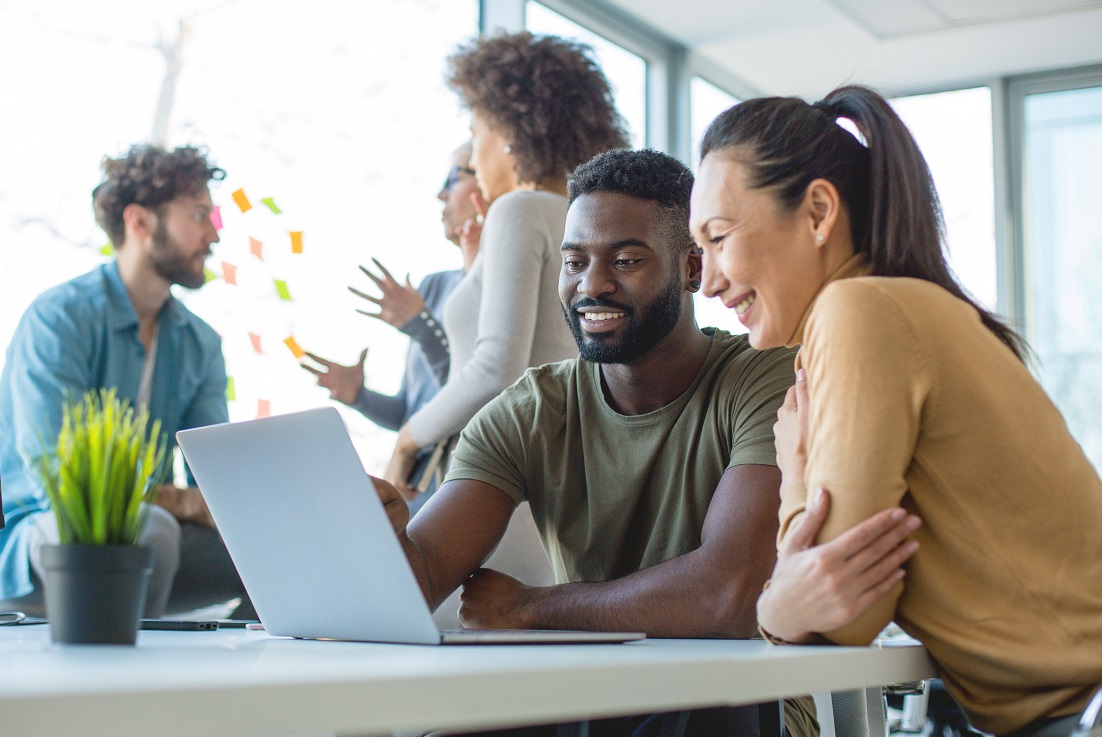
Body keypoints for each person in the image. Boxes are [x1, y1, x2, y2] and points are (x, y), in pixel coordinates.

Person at [691, 85, 1102, 737]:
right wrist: (785, 601)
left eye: (718, 237)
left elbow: (843, 613)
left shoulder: (857, 312)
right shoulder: (901, 305)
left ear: (818, 211)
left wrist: (792, 475)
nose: (707, 279)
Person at [372, 149, 816, 737]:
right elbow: (422, 574)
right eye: (575, 261)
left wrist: (532, 608)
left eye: (626, 260)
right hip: (592, 696)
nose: (592, 285)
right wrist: (376, 539)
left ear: (691, 268)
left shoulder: (764, 379)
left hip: (739, 699)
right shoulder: (530, 411)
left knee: (697, 708)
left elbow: (728, 598)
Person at [0, 144, 253, 619]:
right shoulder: (59, 318)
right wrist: (183, 502)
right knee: (150, 529)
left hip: (155, 543)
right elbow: (59, 476)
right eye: (199, 215)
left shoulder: (200, 343)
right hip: (40, 536)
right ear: (139, 222)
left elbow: (216, 485)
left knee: (282, 547)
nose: (213, 234)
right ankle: (124, 676)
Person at [383, 32, 630, 494]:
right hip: (553, 470)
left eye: (477, 135)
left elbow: (496, 366)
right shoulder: (587, 219)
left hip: (494, 476)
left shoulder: (519, 210)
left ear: (510, 130)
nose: (475, 154)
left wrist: (406, 439)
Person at [303, 142, 482, 512]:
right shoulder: (432, 286)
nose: (441, 193)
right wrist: (360, 397)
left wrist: (421, 326)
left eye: (454, 177)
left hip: (458, 485)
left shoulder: (499, 292)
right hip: (414, 487)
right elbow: (410, 413)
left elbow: (476, 390)